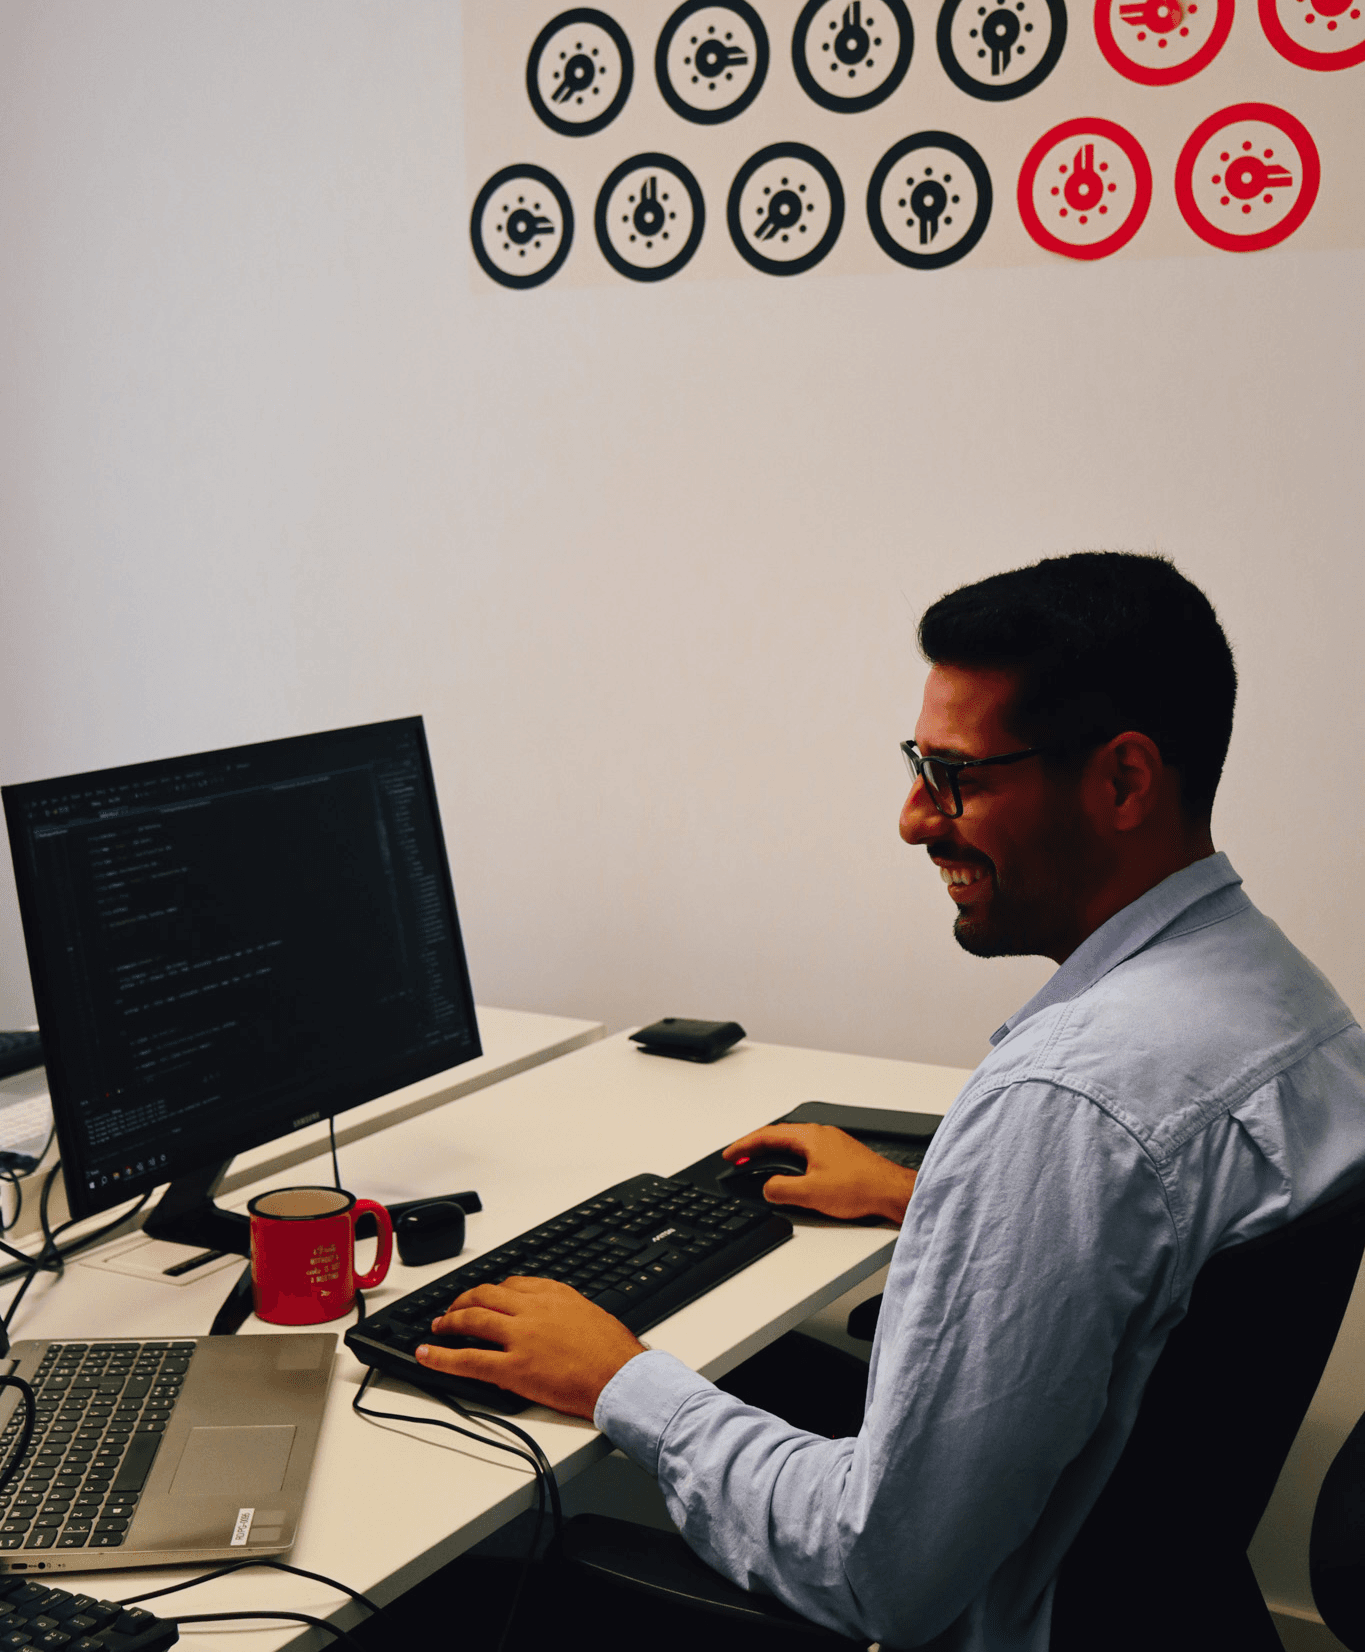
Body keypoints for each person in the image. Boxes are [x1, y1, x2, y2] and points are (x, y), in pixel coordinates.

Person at [414, 553, 1365, 1650]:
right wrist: (935, 1198)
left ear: (1123, 781)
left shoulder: (1069, 1102)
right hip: (1158, 1605)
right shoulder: (1292, 1005)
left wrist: (621, 1379)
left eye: (956, 775)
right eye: (919, 764)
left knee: (450, 1593)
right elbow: (1158, 1255)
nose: (915, 819)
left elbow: (881, 1573)